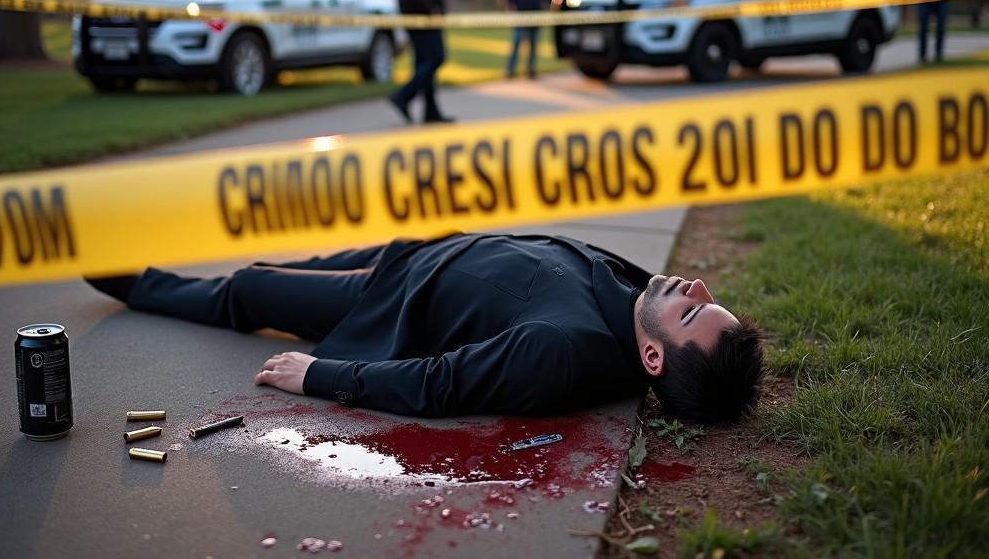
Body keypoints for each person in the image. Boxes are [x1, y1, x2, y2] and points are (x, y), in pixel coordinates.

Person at [84, 232, 764, 423]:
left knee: (252, 290)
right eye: (706, 299)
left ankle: (134, 283)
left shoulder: (563, 353)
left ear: (652, 356)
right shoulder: (639, 301)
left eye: (694, 310)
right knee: (274, 270)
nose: (694, 287)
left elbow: (444, 384)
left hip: (384, 305)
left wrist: (321, 374)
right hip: (415, 255)